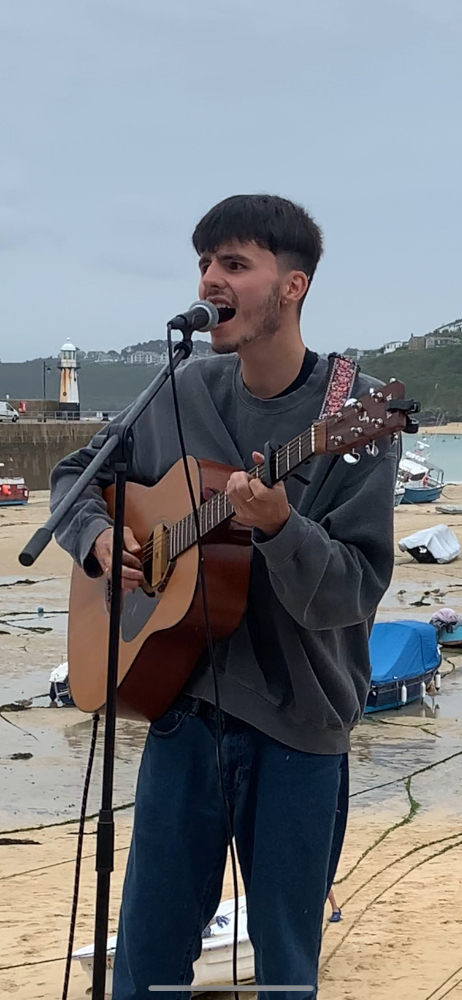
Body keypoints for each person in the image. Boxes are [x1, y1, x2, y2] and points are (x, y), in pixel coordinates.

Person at [50, 194, 398, 999]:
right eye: (205, 263)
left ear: (293, 287)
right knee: (144, 966)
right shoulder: (183, 390)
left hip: (298, 728)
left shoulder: (353, 411)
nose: (210, 279)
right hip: (179, 707)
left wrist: (279, 527)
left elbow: (351, 589)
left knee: (285, 974)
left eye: (235, 264)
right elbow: (74, 478)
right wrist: (100, 539)